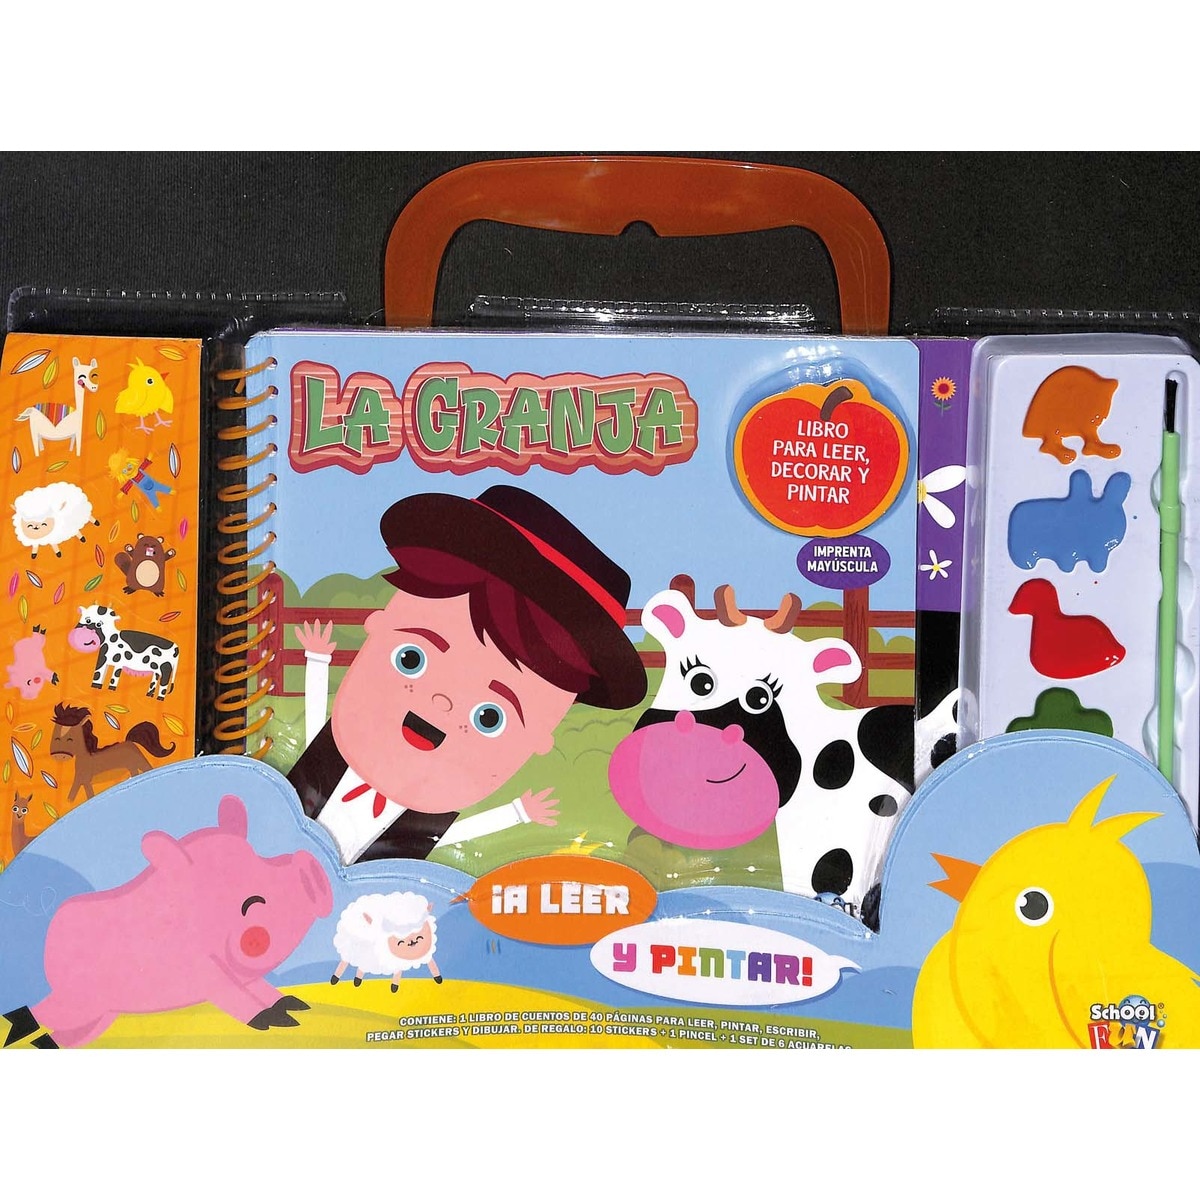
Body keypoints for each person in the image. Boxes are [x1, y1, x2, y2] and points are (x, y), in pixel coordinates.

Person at [289, 485, 646, 865]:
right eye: (410, 659)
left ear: (541, 738)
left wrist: (519, 813)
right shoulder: (315, 762)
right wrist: (317, 661)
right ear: (376, 627)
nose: (441, 703)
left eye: (490, 717)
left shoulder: (432, 817)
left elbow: (461, 835)